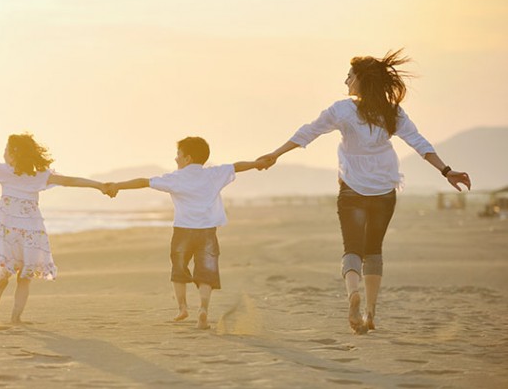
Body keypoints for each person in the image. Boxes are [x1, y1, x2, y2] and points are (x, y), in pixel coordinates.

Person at [257, 49, 471, 334]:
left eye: (349, 76)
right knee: (374, 250)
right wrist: (446, 171)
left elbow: (308, 132)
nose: (346, 81)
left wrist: (275, 154)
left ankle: (352, 294)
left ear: (360, 81)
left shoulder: (342, 110)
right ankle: (370, 313)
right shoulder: (392, 112)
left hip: (352, 189)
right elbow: (419, 143)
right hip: (384, 189)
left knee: (352, 248)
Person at [0, 133, 113, 324]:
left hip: (8, 226)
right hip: (32, 228)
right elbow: (71, 181)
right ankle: (16, 319)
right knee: (25, 277)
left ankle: (2, 281)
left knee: (8, 260)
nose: (3, 153)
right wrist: (99, 185)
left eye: (6, 149)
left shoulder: (4, 172)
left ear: (13, 154)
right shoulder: (41, 175)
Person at [107, 137, 269, 329]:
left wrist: (117, 185)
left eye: (178, 155)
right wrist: (258, 163)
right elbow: (237, 166)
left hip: (183, 232)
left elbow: (144, 182)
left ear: (188, 158)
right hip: (207, 232)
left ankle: (182, 308)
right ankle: (203, 310)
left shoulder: (175, 178)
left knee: (179, 270)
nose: (176, 159)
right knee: (206, 272)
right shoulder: (214, 174)